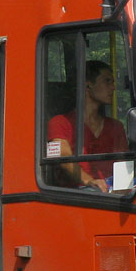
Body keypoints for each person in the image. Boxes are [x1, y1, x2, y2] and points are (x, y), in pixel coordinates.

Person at [46, 60, 127, 192]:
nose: (113, 87)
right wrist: (90, 181)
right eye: (107, 81)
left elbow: (123, 166)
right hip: (77, 199)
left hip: (112, 198)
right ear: (88, 86)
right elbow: (63, 157)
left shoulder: (116, 127)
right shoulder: (59, 123)